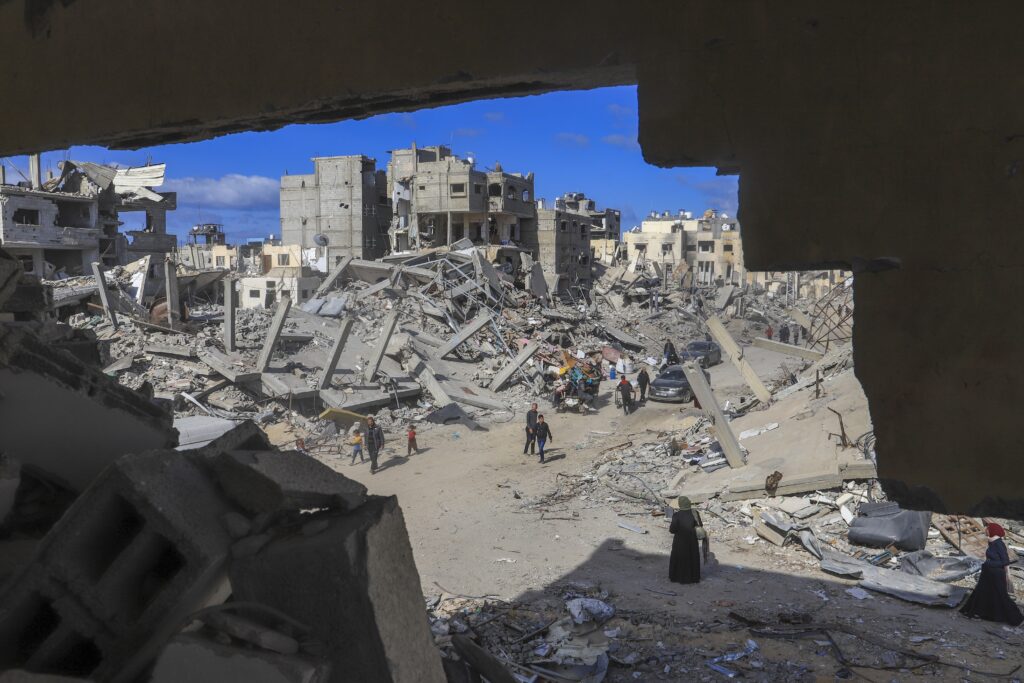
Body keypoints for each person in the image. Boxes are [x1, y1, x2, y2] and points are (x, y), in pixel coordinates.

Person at [960, 523, 1024, 626]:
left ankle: (1017, 619)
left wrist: (990, 564)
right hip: (988, 573)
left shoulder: (999, 543)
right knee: (983, 593)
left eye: (988, 528)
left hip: (996, 575)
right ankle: (978, 613)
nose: (986, 529)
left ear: (993, 530)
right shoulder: (992, 541)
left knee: (1001, 596)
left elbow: (1005, 561)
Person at [669, 496, 707, 585]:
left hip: (679, 542)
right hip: (692, 541)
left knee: (680, 559)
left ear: (680, 504)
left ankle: (678, 577)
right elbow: (700, 525)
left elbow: (672, 530)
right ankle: (693, 578)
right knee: (692, 558)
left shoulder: (676, 515)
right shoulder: (695, 513)